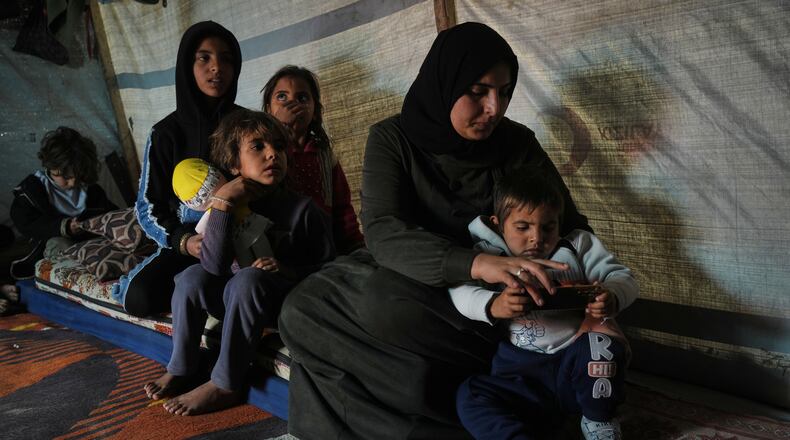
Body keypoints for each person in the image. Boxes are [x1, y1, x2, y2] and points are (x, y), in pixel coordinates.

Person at [279, 22, 592, 438]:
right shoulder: (393, 139)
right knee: (300, 311)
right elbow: (385, 232)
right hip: (420, 269)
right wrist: (479, 263)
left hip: (489, 302)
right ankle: (423, 419)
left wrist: (559, 275)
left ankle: (434, 415)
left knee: (385, 308)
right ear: (445, 82)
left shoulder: (517, 145)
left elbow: (573, 229)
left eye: (504, 91)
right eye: (478, 91)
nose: (494, 108)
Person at [143, 109, 336, 415]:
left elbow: (331, 271)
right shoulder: (226, 207)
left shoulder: (303, 211)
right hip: (237, 300)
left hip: (282, 300)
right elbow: (214, 268)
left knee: (248, 279)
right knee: (192, 277)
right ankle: (182, 367)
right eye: (258, 147)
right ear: (234, 164)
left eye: (278, 146)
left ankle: (225, 384)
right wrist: (223, 203)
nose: (272, 153)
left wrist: (285, 271)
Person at [450, 170, 638, 439]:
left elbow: (623, 277)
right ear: (499, 224)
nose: (537, 238)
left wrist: (612, 294)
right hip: (519, 374)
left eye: (548, 227)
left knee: (602, 345)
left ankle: (599, 420)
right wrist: (492, 304)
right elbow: (459, 290)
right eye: (523, 227)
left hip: (576, 367)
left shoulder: (578, 246)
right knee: (470, 394)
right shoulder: (488, 255)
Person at [122, 21, 242, 316]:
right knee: (138, 298)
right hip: (190, 244)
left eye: (226, 59)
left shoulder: (246, 125)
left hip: (242, 239)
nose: (217, 68)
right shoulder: (165, 133)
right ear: (187, 66)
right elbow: (148, 206)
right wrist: (184, 241)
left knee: (253, 285)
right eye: (204, 58)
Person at [261, 65, 364, 254]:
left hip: (326, 246)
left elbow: (343, 208)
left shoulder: (325, 157)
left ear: (315, 111)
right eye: (282, 97)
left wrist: (355, 246)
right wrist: (280, 128)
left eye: (302, 98)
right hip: (283, 248)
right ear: (268, 110)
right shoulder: (267, 156)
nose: (291, 103)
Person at [10, 126, 117, 280]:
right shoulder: (32, 190)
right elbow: (25, 223)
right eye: (65, 176)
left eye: (77, 176)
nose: (72, 182)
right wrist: (64, 227)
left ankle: (100, 269)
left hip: (88, 242)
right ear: (50, 167)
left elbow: (109, 213)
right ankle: (79, 277)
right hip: (54, 243)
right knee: (61, 245)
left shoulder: (91, 190)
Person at [172, 157, 274, 266]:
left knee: (260, 253)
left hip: (248, 226)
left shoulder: (233, 191)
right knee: (248, 259)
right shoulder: (232, 190)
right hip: (239, 235)